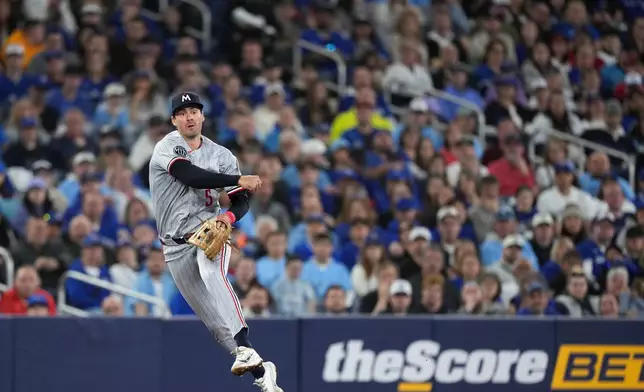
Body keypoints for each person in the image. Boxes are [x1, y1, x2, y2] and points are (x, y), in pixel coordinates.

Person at [148, 92, 281, 392]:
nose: (190, 116)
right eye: (182, 112)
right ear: (174, 120)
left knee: (212, 273)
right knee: (216, 327)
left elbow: (240, 202)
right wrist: (238, 176)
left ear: (203, 116)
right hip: (174, 245)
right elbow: (190, 175)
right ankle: (262, 373)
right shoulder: (167, 146)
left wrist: (228, 219)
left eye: (194, 110)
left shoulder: (221, 154)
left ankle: (245, 344)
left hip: (207, 229)